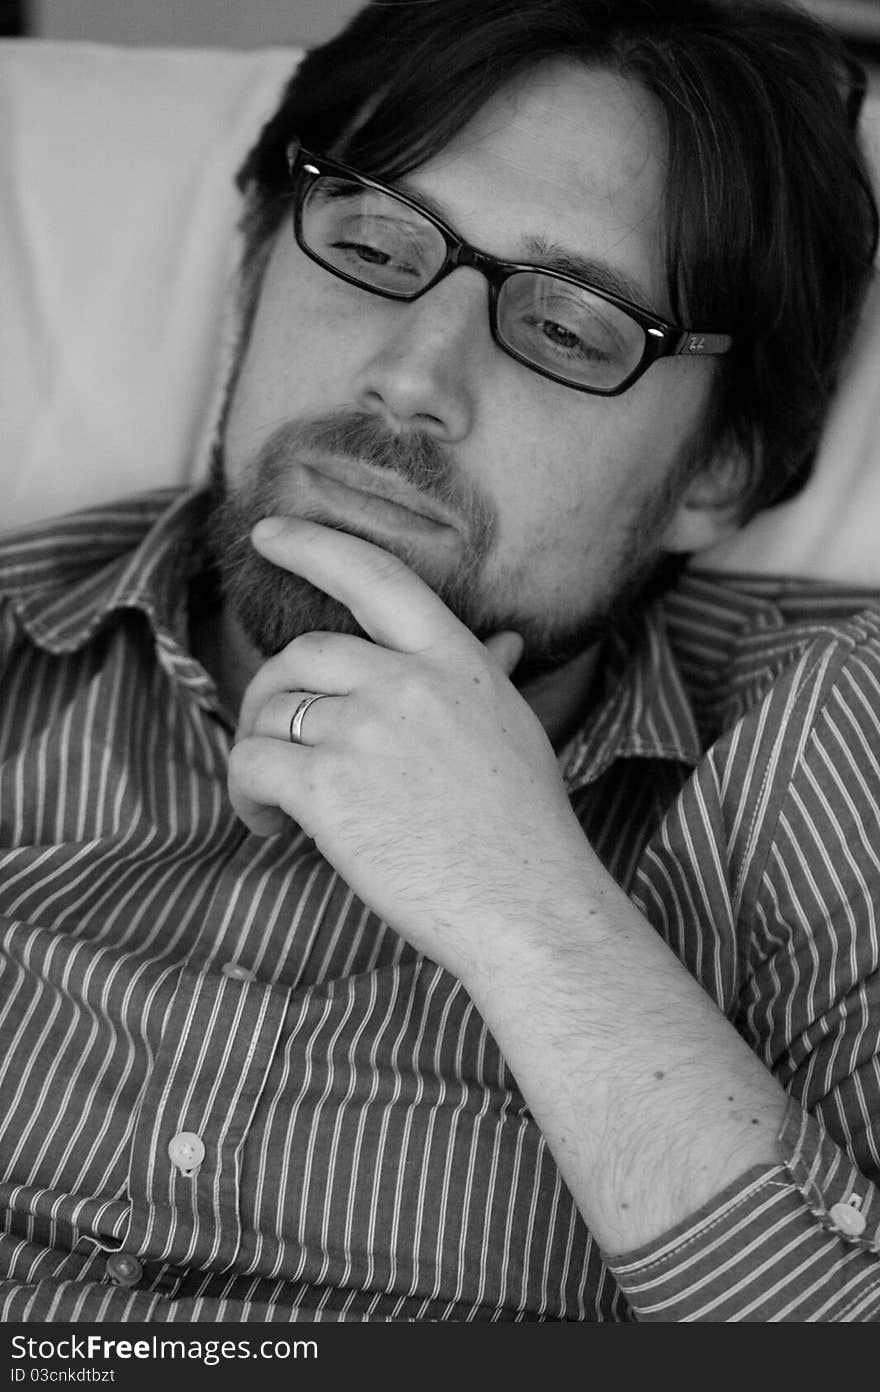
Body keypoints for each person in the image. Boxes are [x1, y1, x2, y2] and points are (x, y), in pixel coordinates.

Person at [1, 0, 879, 1323]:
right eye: (368, 245)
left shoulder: (822, 751)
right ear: (252, 275)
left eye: (572, 326)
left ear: (718, 472)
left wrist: (526, 913)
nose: (412, 373)